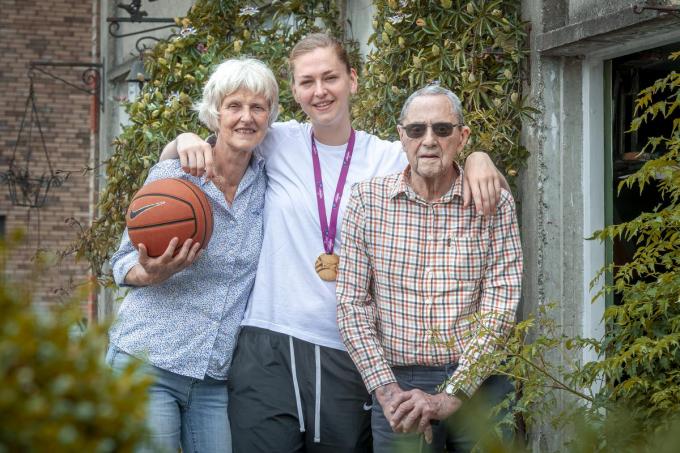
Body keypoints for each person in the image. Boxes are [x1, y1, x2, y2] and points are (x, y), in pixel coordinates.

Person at [160, 34, 507, 452]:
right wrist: (183, 139)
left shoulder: (388, 154)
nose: (320, 91)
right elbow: (192, 156)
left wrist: (478, 160)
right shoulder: (275, 140)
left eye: (330, 78)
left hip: (345, 349)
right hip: (267, 340)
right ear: (294, 91)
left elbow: (447, 161)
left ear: (353, 80)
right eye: (307, 81)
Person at [336, 85, 523, 453]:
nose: (428, 140)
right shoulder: (366, 200)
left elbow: (500, 307)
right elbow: (351, 306)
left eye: (442, 129)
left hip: (481, 383)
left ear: (462, 136)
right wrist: (388, 392)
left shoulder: (493, 203)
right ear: (401, 135)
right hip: (397, 385)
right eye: (416, 130)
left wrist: (451, 395)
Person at [107, 57, 277, 453]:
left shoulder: (271, 181)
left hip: (212, 377)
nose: (246, 117)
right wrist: (148, 274)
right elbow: (119, 262)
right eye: (234, 106)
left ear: (270, 116)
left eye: (258, 107)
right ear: (215, 112)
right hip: (148, 360)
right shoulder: (174, 178)